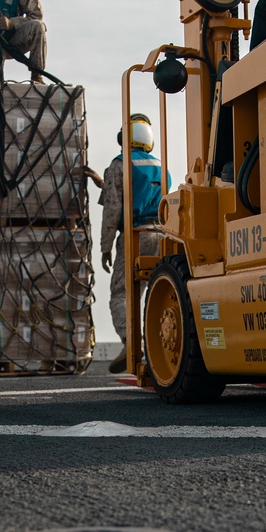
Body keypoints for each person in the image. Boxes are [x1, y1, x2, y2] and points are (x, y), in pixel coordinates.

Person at [99, 114, 169, 374]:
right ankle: (158, 348)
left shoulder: (119, 166)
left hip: (134, 235)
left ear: (123, 138)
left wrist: (105, 246)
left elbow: (113, 208)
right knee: (155, 294)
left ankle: (131, 342)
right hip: (162, 235)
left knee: (122, 293)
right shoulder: (163, 167)